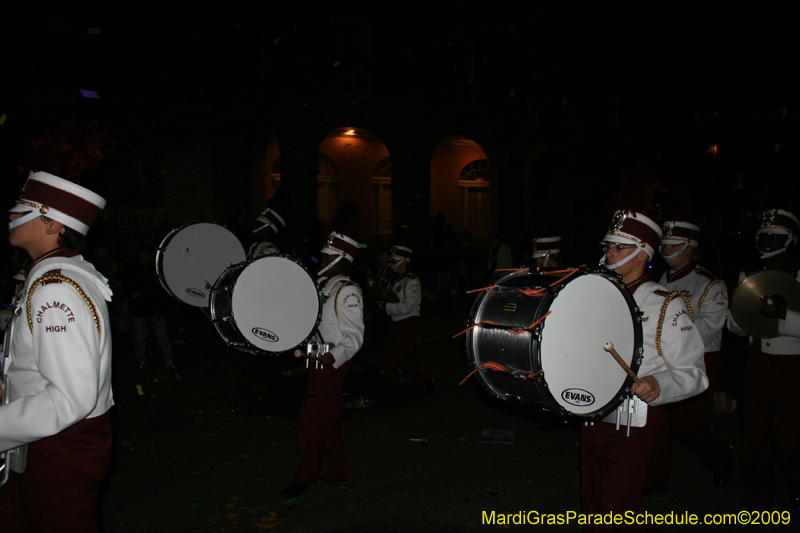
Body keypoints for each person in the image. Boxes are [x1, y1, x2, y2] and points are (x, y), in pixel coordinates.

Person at [0, 171, 113, 531]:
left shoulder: (56, 289)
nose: (11, 216)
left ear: (52, 225)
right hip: (43, 441)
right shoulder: (51, 275)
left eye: (22, 210)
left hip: (58, 448)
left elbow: (69, 399)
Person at [582, 210, 707, 531]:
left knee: (617, 508)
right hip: (593, 414)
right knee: (592, 506)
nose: (608, 252)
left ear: (642, 253)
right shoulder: (597, 295)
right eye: (607, 245)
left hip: (633, 420)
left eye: (618, 247)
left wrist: (658, 382)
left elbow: (695, 373)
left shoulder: (666, 303)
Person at [645, 221, 732, 491]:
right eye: (664, 244)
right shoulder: (661, 279)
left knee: (692, 424)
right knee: (659, 425)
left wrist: (672, 335)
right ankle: (656, 479)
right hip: (664, 358)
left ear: (690, 248)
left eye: (673, 244)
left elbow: (711, 325)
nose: (666, 250)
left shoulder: (710, 283)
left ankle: (722, 459)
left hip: (699, 359)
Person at [281, 232, 364, 500]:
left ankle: (307, 474)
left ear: (340, 260)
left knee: (310, 417)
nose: (323, 259)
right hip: (318, 355)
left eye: (328, 256)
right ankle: (339, 468)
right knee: (326, 417)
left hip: (332, 359)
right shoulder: (324, 286)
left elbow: (355, 336)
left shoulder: (347, 290)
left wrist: (335, 355)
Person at [727, 208, 800, 511]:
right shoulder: (749, 274)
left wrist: (783, 317)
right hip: (757, 362)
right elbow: (733, 323)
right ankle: (758, 503)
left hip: (793, 366)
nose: (767, 241)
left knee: (790, 441)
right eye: (763, 236)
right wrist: (747, 318)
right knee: (754, 438)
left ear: (790, 239)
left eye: (774, 236)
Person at [379, 245, 432, 398]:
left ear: (404, 262)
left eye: (395, 261)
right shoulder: (395, 281)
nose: (391, 264)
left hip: (409, 322)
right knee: (389, 356)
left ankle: (426, 377)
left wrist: (386, 308)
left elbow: (408, 306)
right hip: (396, 322)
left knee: (403, 358)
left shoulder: (412, 281)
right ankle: (392, 389)